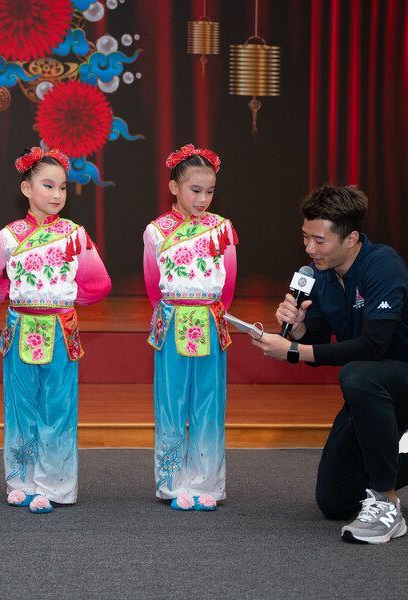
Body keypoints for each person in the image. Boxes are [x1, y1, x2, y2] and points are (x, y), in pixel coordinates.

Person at [251, 183, 408, 544]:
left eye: (319, 240)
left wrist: (293, 352)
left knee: (358, 373)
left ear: (351, 239)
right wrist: (297, 333)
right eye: (305, 237)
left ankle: (387, 506)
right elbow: (318, 345)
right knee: (335, 499)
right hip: (370, 392)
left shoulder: (383, 265)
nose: (309, 248)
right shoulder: (319, 277)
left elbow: (372, 348)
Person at [0, 147, 111, 513]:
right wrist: (16, 296)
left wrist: (63, 296)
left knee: (58, 407)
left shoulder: (75, 234)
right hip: (21, 326)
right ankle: (20, 480)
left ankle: (55, 485)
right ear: (26, 188)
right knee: (20, 407)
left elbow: (99, 284)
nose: (56, 195)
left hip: (61, 328)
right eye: (47, 186)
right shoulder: (10, 236)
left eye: (62, 188)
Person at [143, 144, 238, 511]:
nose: (203, 198)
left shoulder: (223, 228)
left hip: (210, 323)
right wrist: (177, 311)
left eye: (210, 191)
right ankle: (172, 484)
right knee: (171, 403)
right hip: (172, 321)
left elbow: (227, 286)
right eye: (195, 190)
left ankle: (206, 484)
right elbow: (154, 285)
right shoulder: (156, 231)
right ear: (174, 188)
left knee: (209, 403)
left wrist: (208, 314)